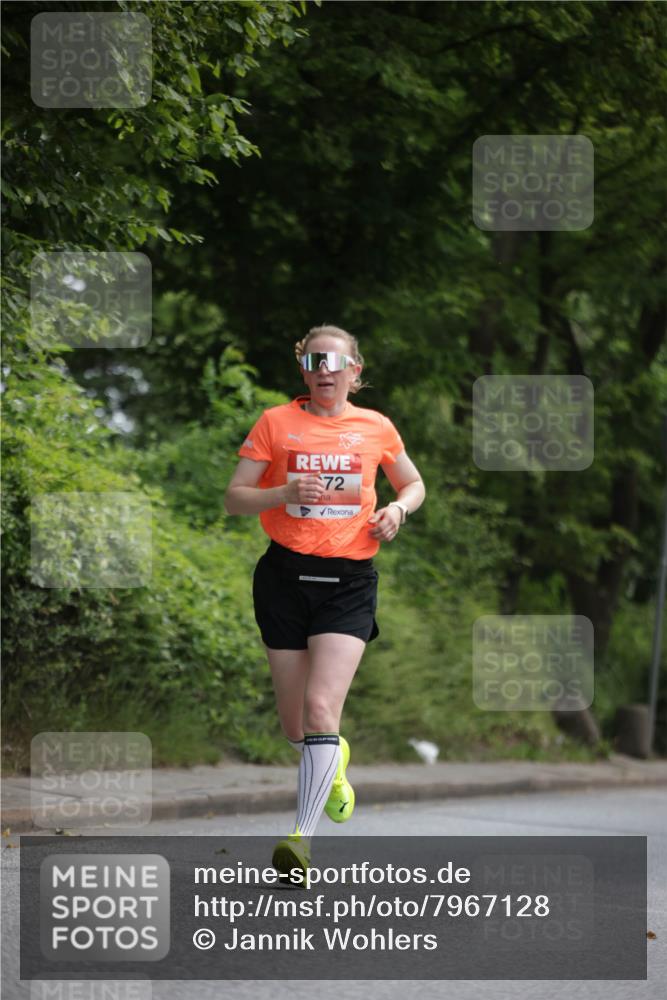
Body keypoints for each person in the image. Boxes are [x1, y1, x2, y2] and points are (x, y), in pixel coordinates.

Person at [223, 324, 425, 882]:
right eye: (315, 361)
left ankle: (300, 841)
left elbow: (413, 484)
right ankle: (332, 761)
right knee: (296, 727)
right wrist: (283, 492)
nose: (325, 371)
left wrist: (398, 510)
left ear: (354, 372)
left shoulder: (376, 427)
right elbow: (234, 498)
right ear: (304, 370)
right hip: (283, 580)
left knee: (319, 709)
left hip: (348, 583)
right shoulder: (275, 423)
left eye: (336, 362)